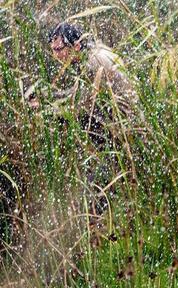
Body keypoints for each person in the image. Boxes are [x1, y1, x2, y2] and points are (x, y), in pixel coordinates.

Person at [29, 22, 140, 214]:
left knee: (100, 171)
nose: (56, 55)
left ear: (77, 45)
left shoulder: (94, 62)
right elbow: (79, 96)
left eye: (59, 49)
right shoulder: (93, 54)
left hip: (125, 128)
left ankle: (99, 210)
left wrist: (46, 106)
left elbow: (77, 104)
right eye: (52, 50)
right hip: (117, 122)